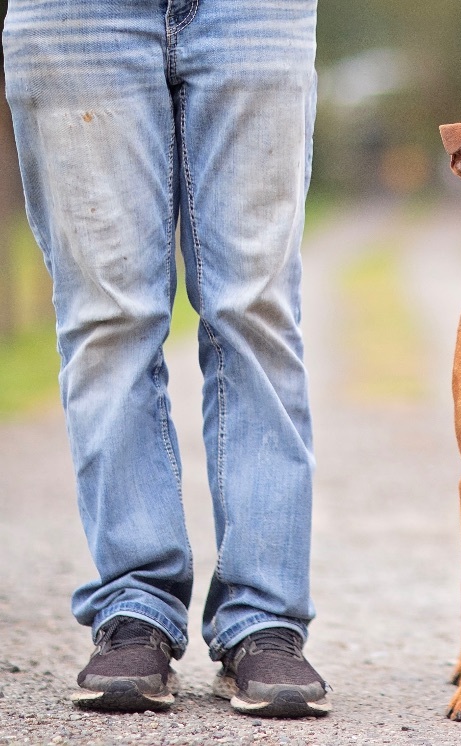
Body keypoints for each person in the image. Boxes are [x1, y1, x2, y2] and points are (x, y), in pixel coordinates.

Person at [3, 0, 330, 717]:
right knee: (106, 318)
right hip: (76, 14)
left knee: (256, 309)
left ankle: (265, 618)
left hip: (255, 12)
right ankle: (134, 607)